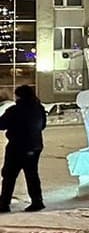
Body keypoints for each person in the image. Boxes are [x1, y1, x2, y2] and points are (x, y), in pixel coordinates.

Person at [0, 85, 46, 213]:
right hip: (35, 145)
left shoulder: (15, 110)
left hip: (18, 146)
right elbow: (42, 126)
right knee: (32, 174)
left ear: (19, 96)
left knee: (9, 175)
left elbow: (2, 124)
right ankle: (37, 201)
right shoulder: (39, 108)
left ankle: (4, 203)